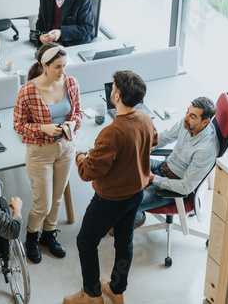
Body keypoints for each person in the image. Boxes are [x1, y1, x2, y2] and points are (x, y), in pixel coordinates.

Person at [64, 71, 158, 304]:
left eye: (113, 88)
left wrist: (80, 156)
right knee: (124, 241)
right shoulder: (145, 117)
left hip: (110, 199)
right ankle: (117, 289)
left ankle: (92, 295)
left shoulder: (112, 132)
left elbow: (88, 173)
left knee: (86, 242)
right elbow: (152, 141)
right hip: (136, 192)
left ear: (116, 95)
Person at [13, 42, 83, 264]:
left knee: (57, 197)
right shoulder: (27, 91)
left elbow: (78, 113)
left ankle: (48, 234)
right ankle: (31, 237)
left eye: (64, 66)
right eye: (58, 67)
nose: (63, 71)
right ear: (44, 65)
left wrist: (72, 125)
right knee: (43, 201)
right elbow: (18, 125)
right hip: (40, 151)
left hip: (66, 147)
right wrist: (42, 128)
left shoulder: (71, 83)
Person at [129, 97, 219, 231]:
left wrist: (153, 178)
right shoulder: (187, 123)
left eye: (192, 116)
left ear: (205, 122)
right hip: (163, 167)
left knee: (130, 203)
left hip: (173, 186)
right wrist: (145, 146)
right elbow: (165, 137)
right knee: (124, 163)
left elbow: (185, 187)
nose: (186, 118)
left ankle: (137, 217)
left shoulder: (205, 150)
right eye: (187, 112)